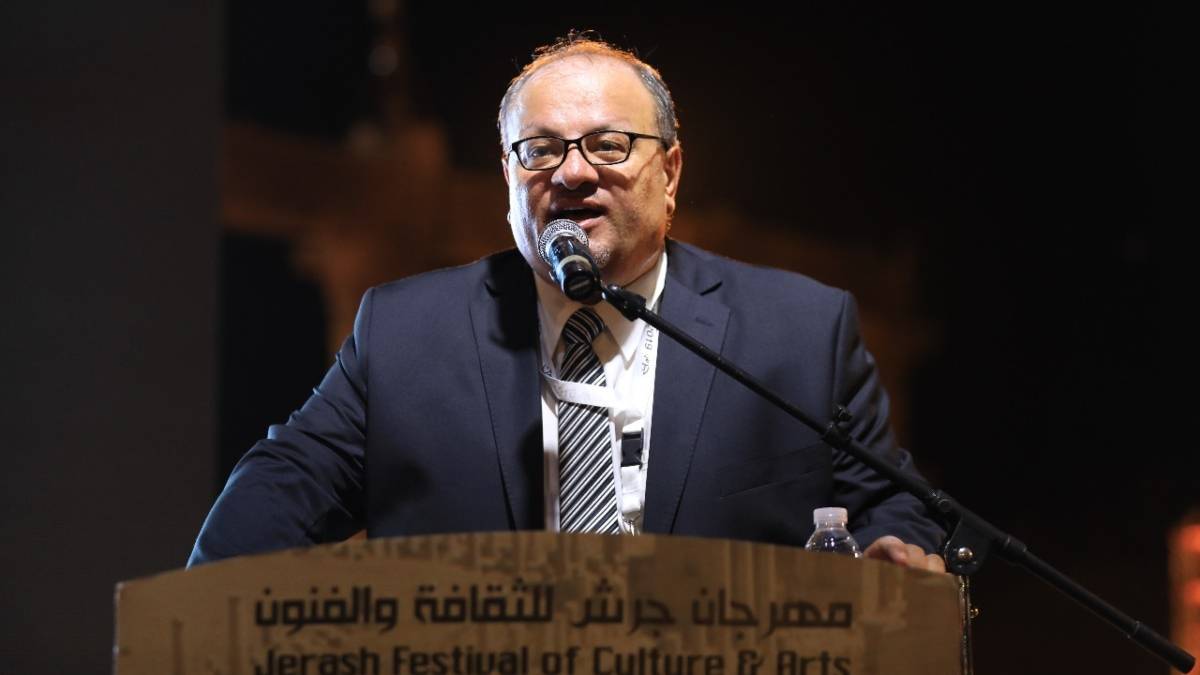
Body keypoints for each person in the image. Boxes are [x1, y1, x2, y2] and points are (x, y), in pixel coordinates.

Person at [189, 33, 946, 572]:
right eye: (541, 148)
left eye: (609, 145)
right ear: (509, 175)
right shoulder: (404, 332)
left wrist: (901, 550)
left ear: (670, 172)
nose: (573, 173)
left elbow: (893, 507)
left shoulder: (800, 332)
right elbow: (284, 487)